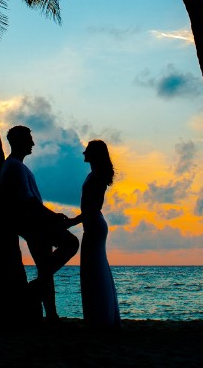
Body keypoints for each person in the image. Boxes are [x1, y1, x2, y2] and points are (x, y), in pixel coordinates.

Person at [0, 125, 79, 322]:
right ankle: (33, 291)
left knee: (45, 267)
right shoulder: (15, 167)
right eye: (29, 139)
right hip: (34, 225)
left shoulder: (16, 166)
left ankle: (51, 314)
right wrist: (52, 216)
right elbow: (28, 200)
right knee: (70, 244)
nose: (33, 143)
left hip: (34, 224)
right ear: (19, 142)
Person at [66, 140, 121, 328]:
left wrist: (73, 221)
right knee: (94, 270)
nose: (83, 153)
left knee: (93, 270)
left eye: (87, 150)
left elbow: (94, 206)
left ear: (95, 154)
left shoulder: (97, 176)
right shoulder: (95, 175)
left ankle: (100, 318)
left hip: (94, 226)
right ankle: (100, 316)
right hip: (93, 225)